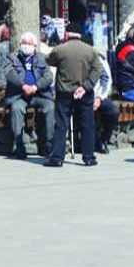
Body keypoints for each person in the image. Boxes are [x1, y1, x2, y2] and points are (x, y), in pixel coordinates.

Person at [44, 23, 103, 167]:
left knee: (61, 124)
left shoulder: (60, 50)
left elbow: (49, 60)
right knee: (87, 124)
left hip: (64, 92)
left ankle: (57, 157)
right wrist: (86, 86)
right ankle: (89, 157)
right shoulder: (90, 51)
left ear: (66, 34)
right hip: (85, 93)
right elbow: (98, 69)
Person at [4, 33, 55, 159]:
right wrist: (23, 86)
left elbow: (48, 77)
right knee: (16, 109)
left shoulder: (42, 58)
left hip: (39, 94)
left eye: (29, 43)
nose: (26, 46)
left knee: (50, 107)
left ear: (35, 46)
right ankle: (19, 145)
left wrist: (35, 87)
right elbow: (9, 73)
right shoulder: (12, 57)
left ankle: (49, 143)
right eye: (24, 43)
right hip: (19, 95)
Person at [93, 51, 120, 154]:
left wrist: (99, 97)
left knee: (113, 111)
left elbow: (106, 80)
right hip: (82, 96)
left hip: (99, 95)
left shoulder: (98, 59)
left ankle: (104, 139)